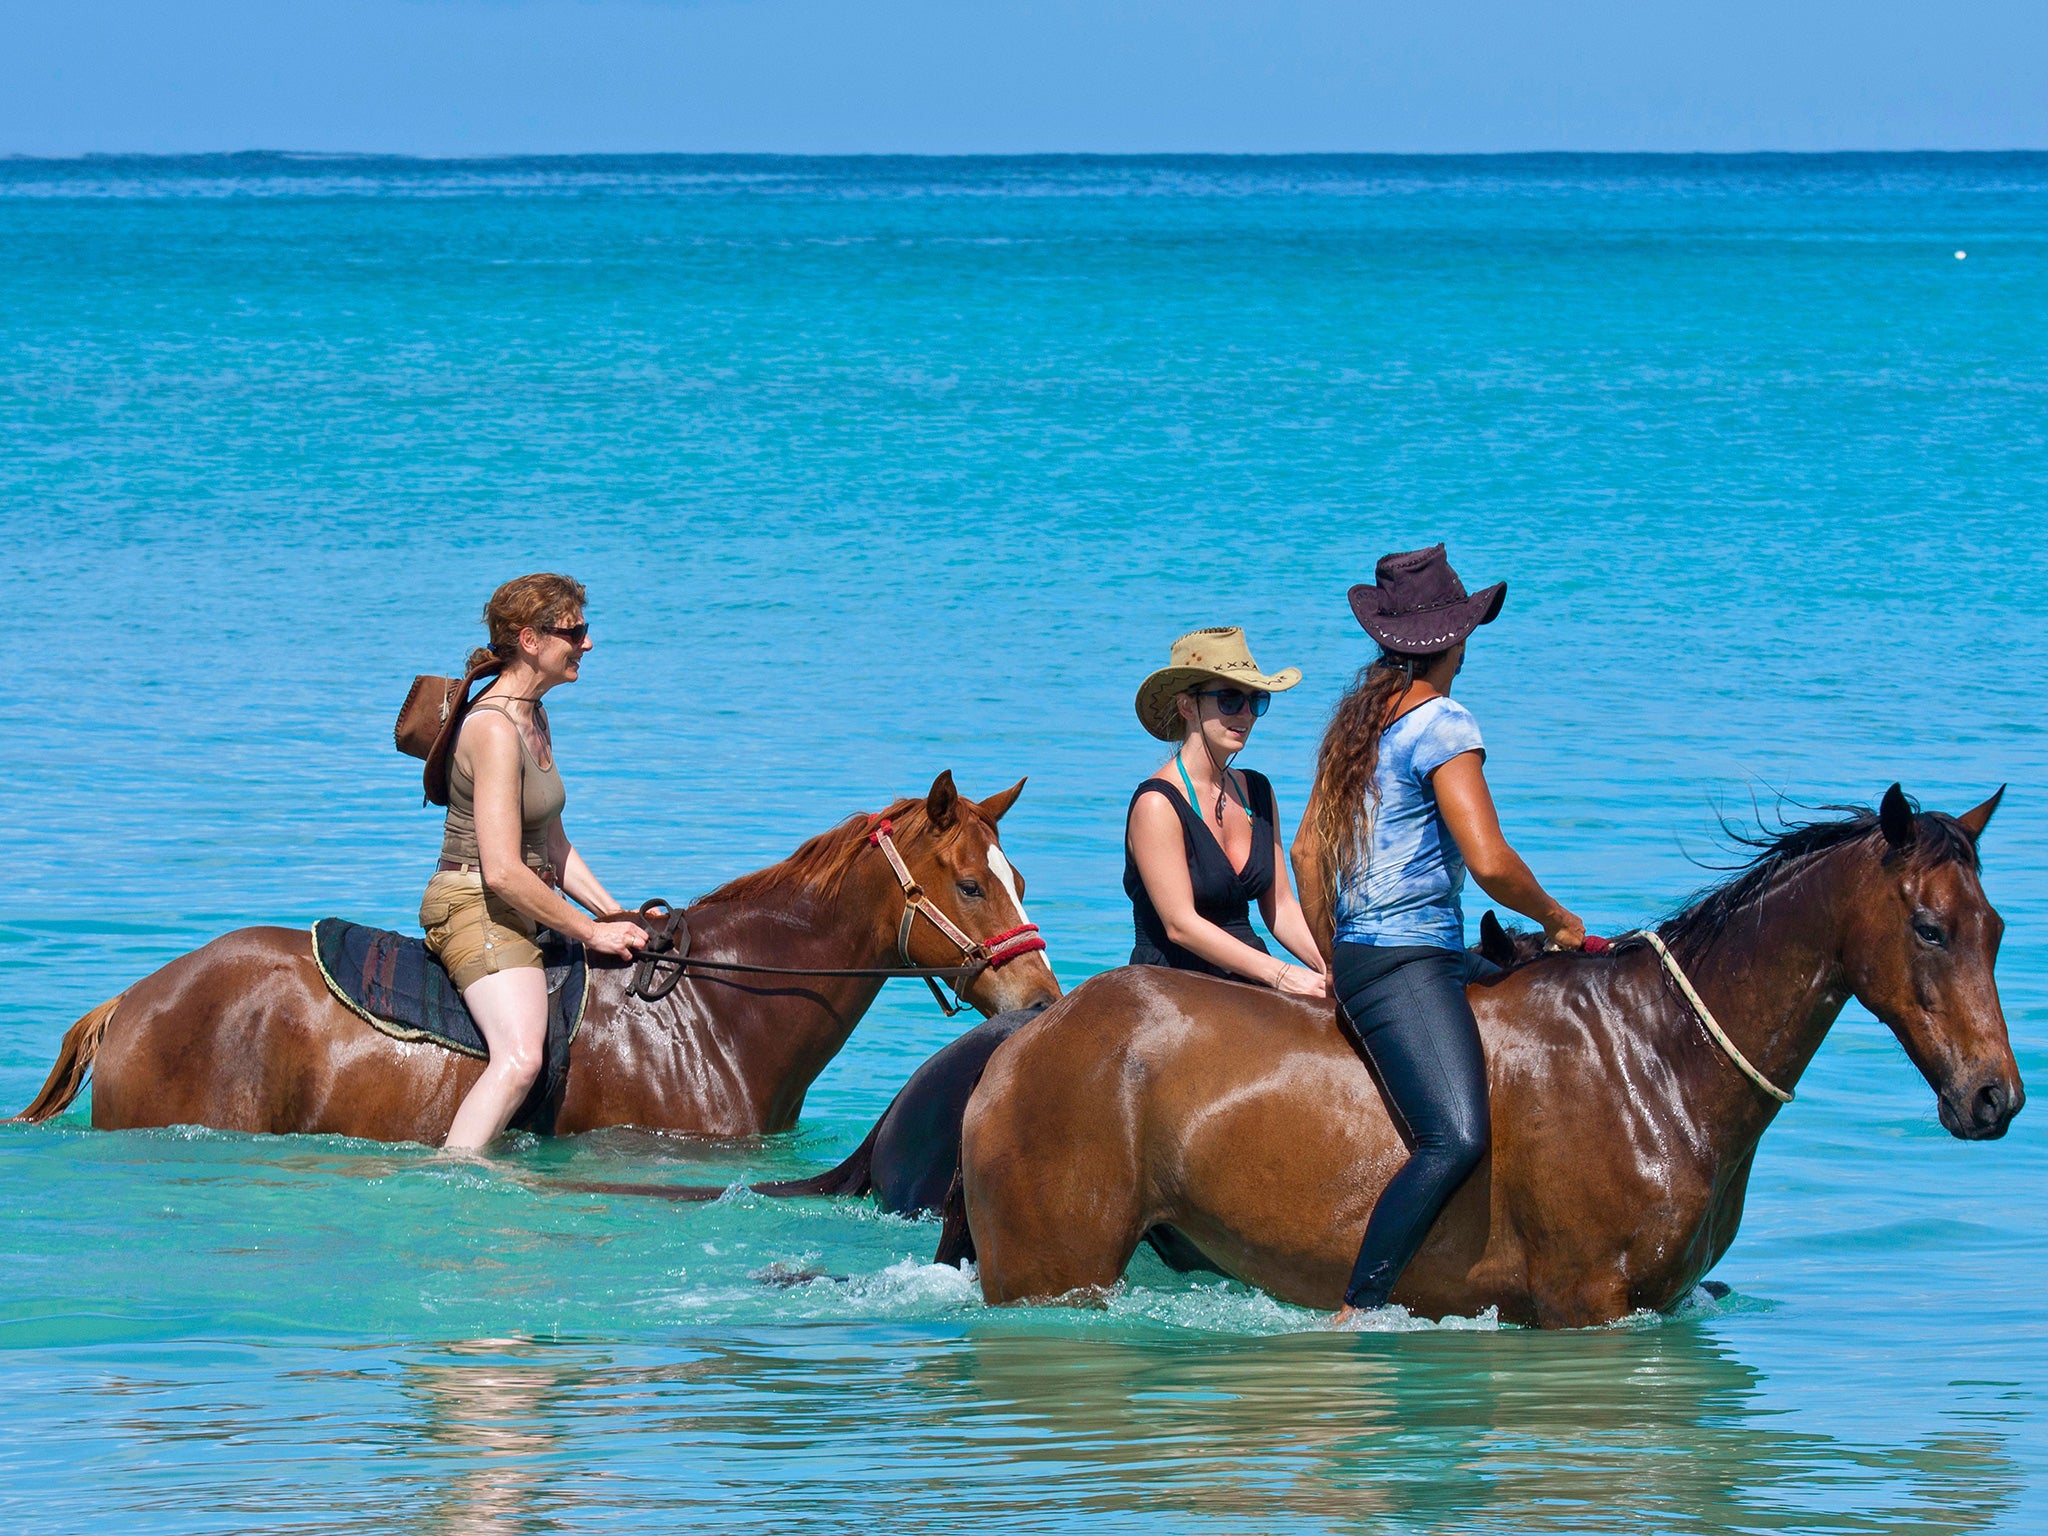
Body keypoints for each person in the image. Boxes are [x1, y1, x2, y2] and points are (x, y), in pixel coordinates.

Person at [1294, 545, 1585, 1322]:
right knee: (1453, 1137)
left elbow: (1303, 854)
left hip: (1370, 955)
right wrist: (1557, 918)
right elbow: (1489, 863)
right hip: (1409, 961)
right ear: (1458, 637)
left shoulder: (1357, 726)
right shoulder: (1444, 721)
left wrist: (1335, 956)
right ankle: (1360, 1306)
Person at [421, 573, 646, 1150]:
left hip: (521, 901)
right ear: (530, 639)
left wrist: (618, 913)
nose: (587, 644)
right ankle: (451, 1177)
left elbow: (552, 847)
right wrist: (589, 932)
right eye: (575, 631)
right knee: (520, 1058)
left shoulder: (534, 716)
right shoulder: (494, 728)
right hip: (476, 904)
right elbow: (501, 870)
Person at [1124, 627, 1330, 997]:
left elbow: (1280, 904)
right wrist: (1283, 975)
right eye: (1230, 700)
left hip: (1249, 975)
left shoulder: (1258, 790)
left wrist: (1329, 966)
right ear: (1187, 706)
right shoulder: (1156, 803)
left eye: (1257, 701)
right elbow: (1179, 925)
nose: (1247, 714)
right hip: (1171, 989)